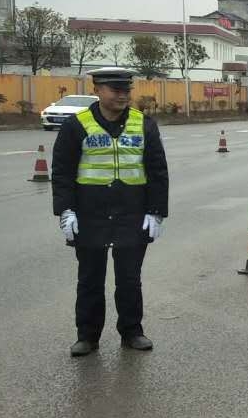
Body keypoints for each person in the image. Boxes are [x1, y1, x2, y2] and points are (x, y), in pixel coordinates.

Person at [51, 65, 169, 356]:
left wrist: (156, 212)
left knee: (129, 279)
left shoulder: (144, 124)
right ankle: (87, 336)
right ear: (97, 90)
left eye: (126, 89)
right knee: (90, 279)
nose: (122, 94)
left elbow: (157, 172)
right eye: (115, 89)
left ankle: (132, 332)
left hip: (132, 214)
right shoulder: (76, 126)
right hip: (90, 215)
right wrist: (66, 211)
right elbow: (63, 173)